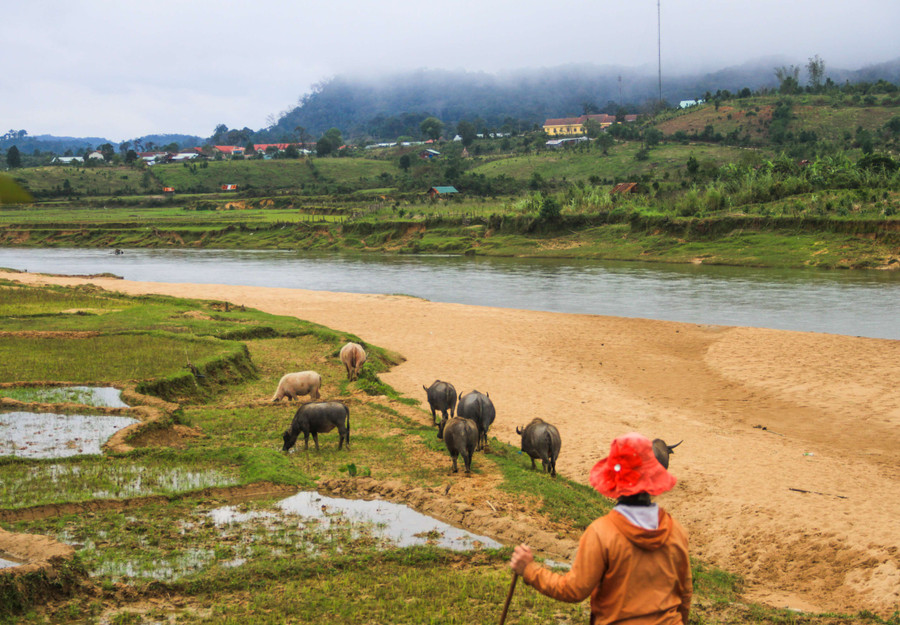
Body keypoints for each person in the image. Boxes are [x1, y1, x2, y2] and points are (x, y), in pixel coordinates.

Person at [509, 432, 692, 625]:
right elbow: (685, 595)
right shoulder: (676, 531)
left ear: (614, 480)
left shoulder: (602, 532)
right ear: (653, 478)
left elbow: (574, 590)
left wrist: (529, 569)